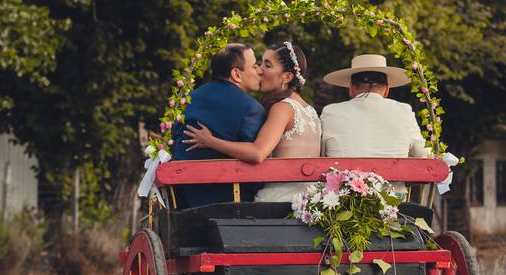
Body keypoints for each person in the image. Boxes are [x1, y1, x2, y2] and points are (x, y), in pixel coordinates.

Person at [182, 41, 320, 202]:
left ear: (287, 77)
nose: (260, 70)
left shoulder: (283, 108)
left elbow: (257, 153)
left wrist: (210, 141)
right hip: (309, 198)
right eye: (260, 63)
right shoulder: (310, 110)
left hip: (280, 200)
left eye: (267, 65)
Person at [319, 54, 430, 195]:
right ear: (387, 89)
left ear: (351, 87)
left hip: (342, 201)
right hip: (392, 202)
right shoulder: (404, 111)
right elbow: (422, 155)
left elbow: (321, 155)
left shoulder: (331, 112)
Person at [171, 43, 265, 207]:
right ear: (236, 74)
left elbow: (175, 143)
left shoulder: (188, 100)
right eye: (254, 66)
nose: (259, 71)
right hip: (230, 204)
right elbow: (256, 167)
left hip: (181, 201)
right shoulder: (250, 108)